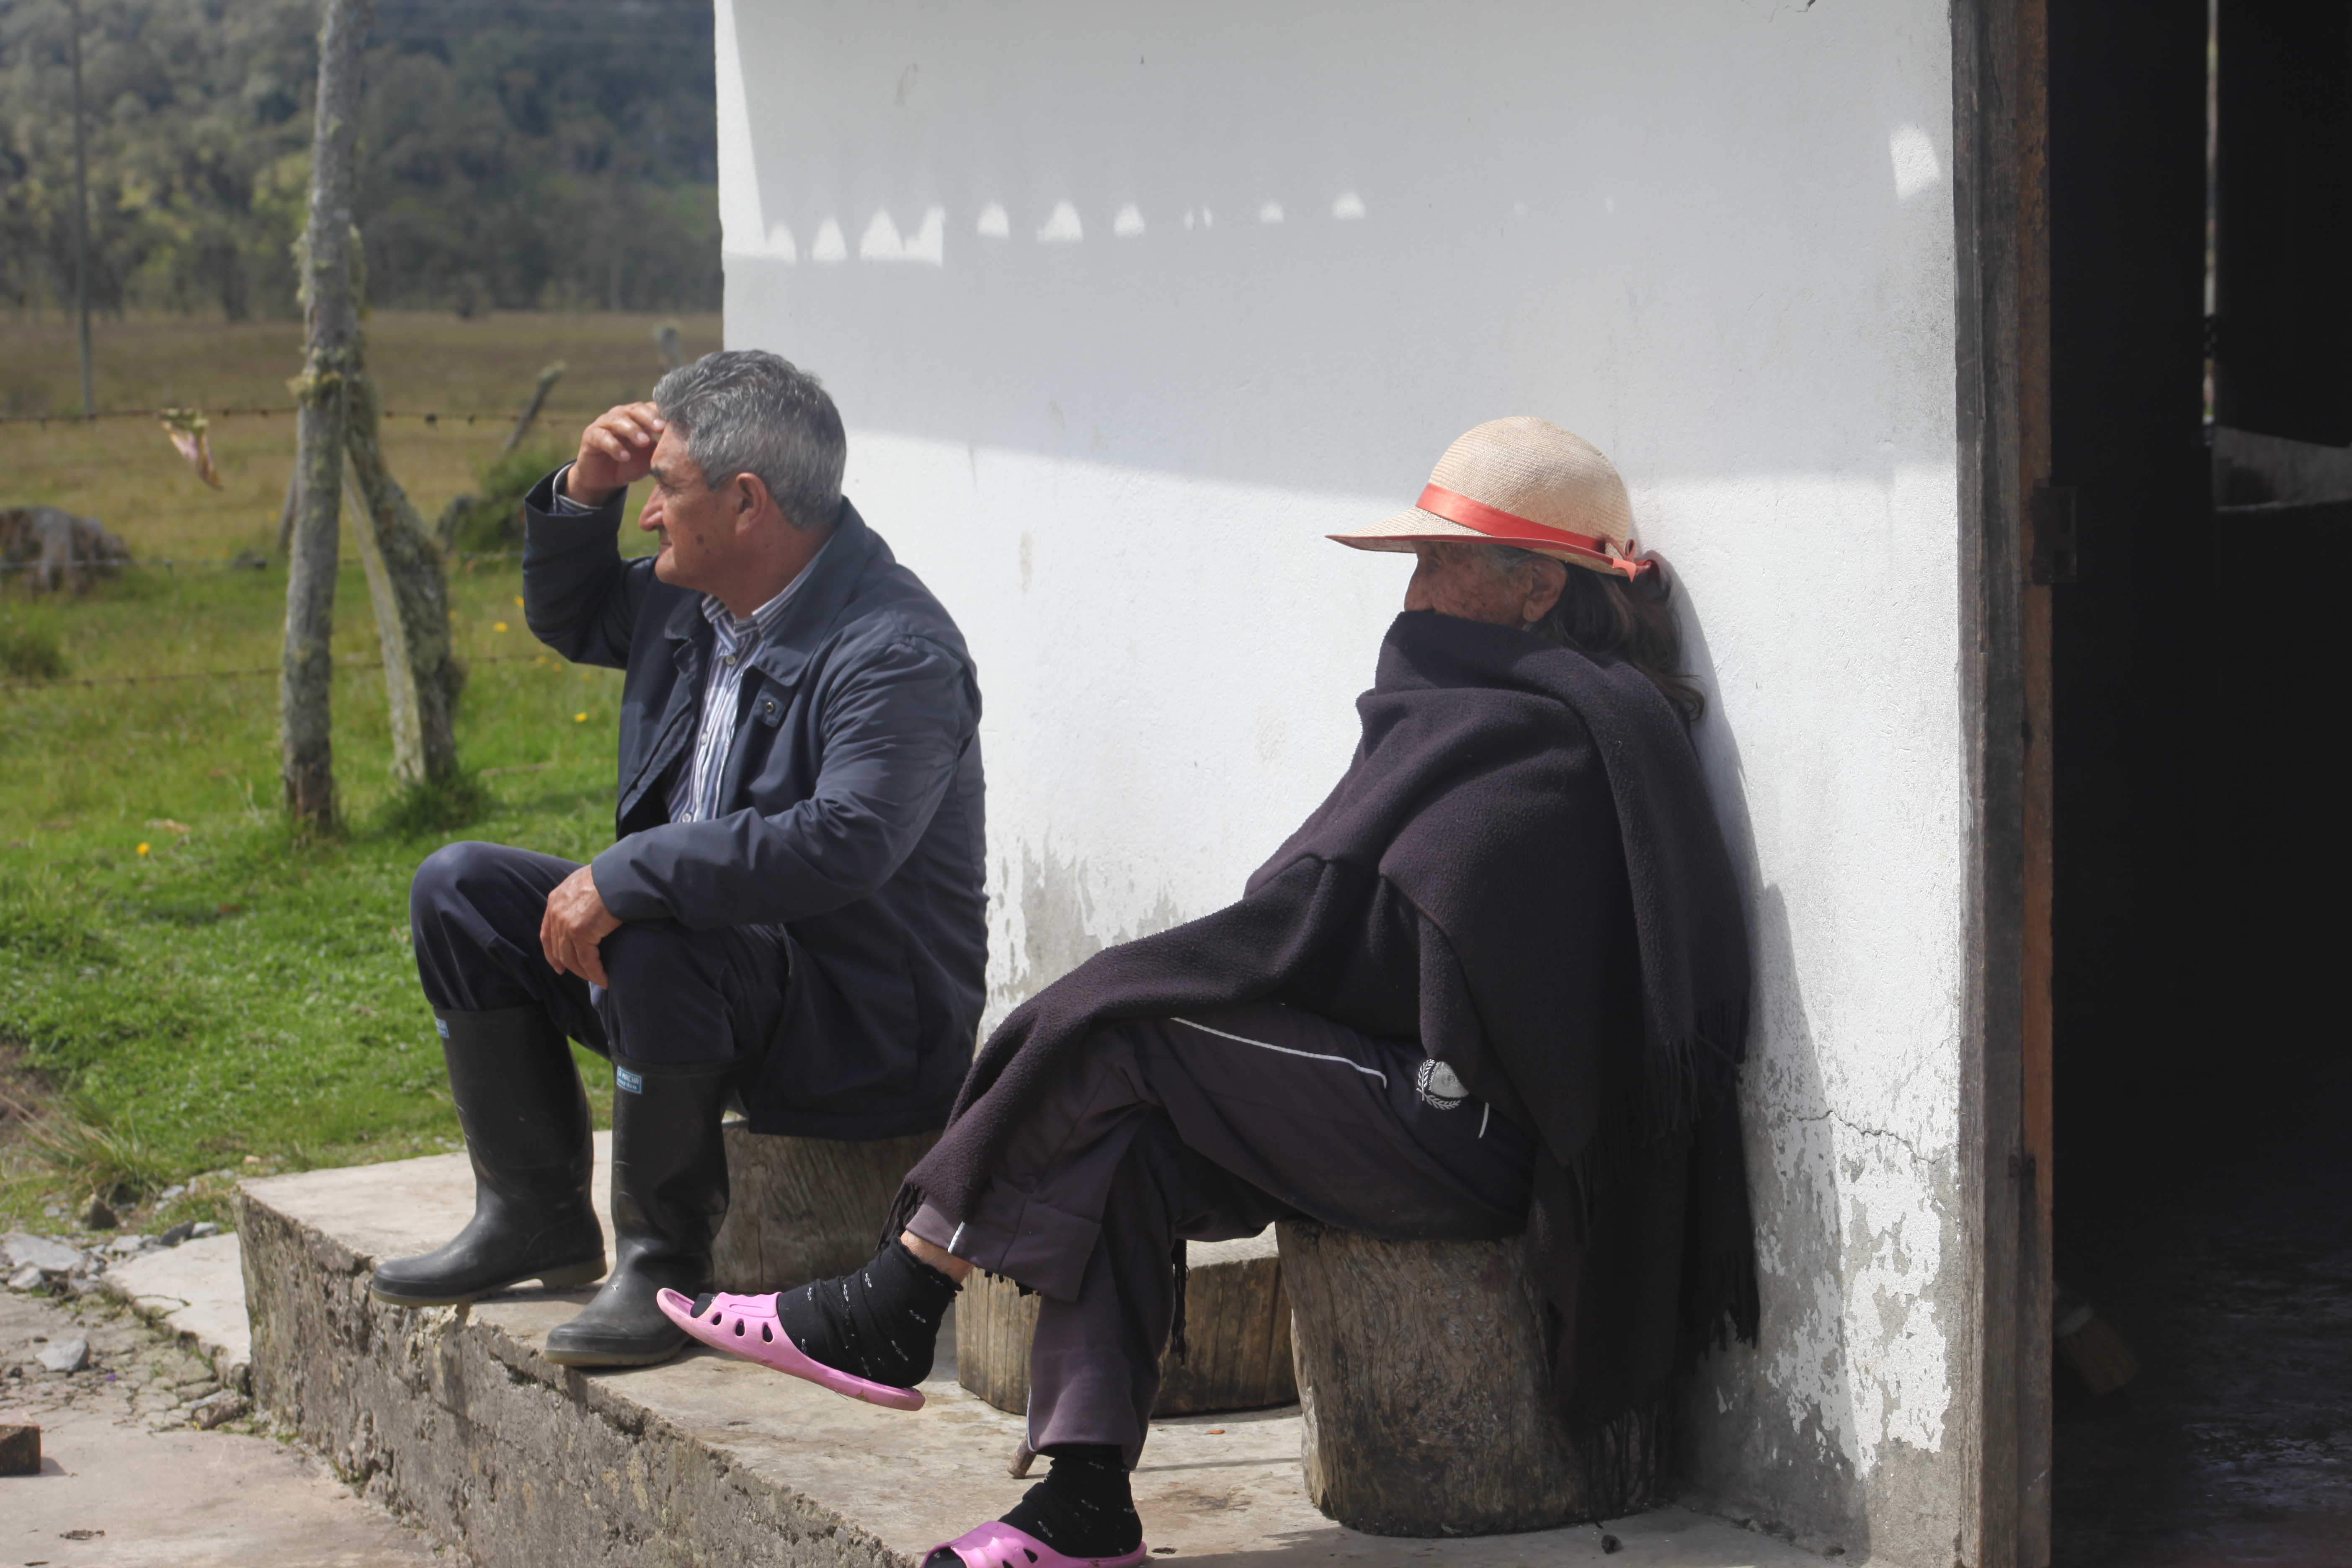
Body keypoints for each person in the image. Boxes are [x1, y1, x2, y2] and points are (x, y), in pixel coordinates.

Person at [664, 416, 1757, 1567]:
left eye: (1443, 562)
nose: (1415, 594)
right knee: (1126, 1135)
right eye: (1417, 563)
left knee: (1127, 1036)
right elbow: (1350, 919)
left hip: (1481, 1134)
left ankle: (898, 1299)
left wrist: (1195, 969)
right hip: (1398, 1093)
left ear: (1539, 589)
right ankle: (1084, 1504)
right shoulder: (1463, 711)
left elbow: (1390, 945)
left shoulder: (1555, 744)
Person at [370, 351, 987, 1370]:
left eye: (664, 488)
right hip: (708, 986)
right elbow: (572, 615)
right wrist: (585, 491)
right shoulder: (688, 598)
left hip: (854, 1025)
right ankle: (533, 1215)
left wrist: (631, 875)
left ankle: (666, 1267)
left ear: (746, 503)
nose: (648, 515)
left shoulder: (895, 647)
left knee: (657, 925)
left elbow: (849, 838)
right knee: (460, 891)